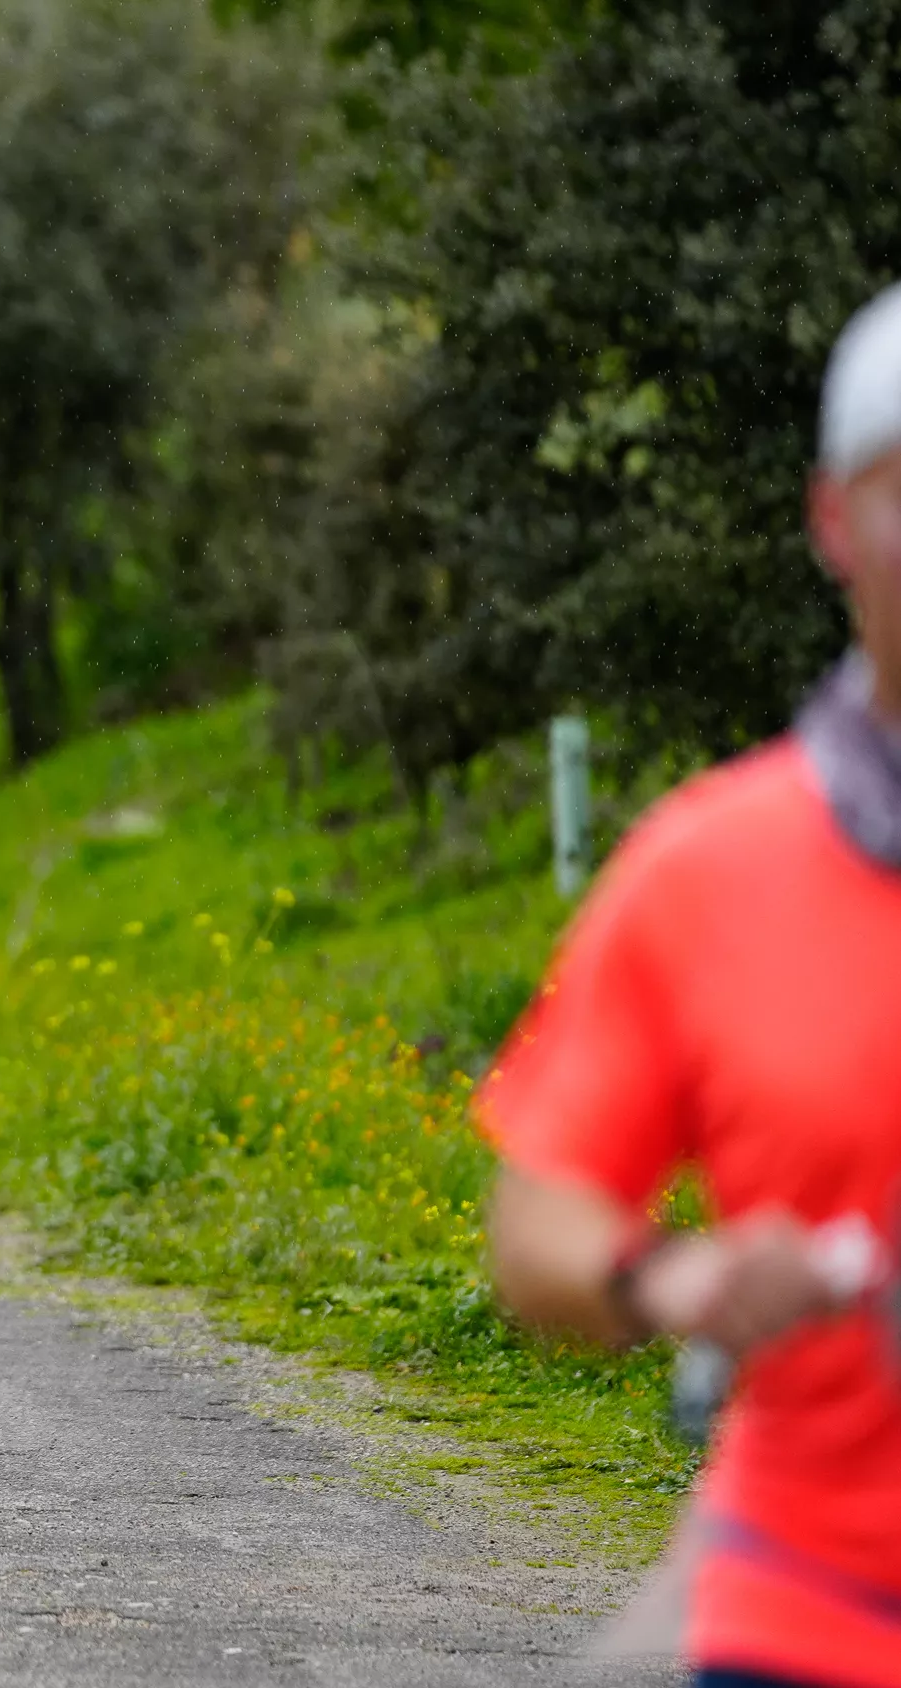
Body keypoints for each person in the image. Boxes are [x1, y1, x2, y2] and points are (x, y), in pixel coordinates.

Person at [482, 286, 901, 1688]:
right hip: (812, 1627)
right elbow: (539, 1214)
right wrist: (678, 1278)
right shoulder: (707, 870)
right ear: (834, 523)